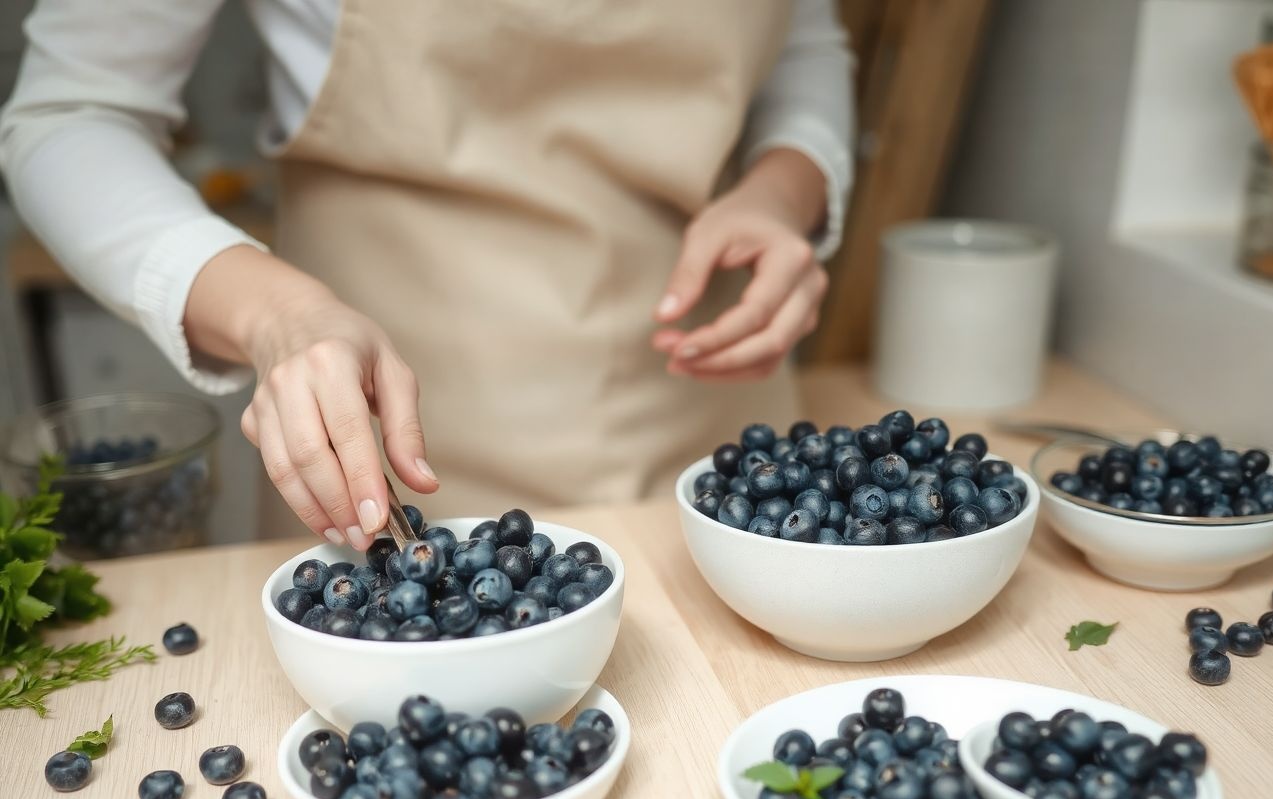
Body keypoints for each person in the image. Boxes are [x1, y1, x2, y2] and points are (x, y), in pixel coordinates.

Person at [0, 0, 853, 552]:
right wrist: (278, 316)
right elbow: (72, 113)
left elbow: (801, 32)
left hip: (725, 444)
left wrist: (782, 190)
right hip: (398, 457)